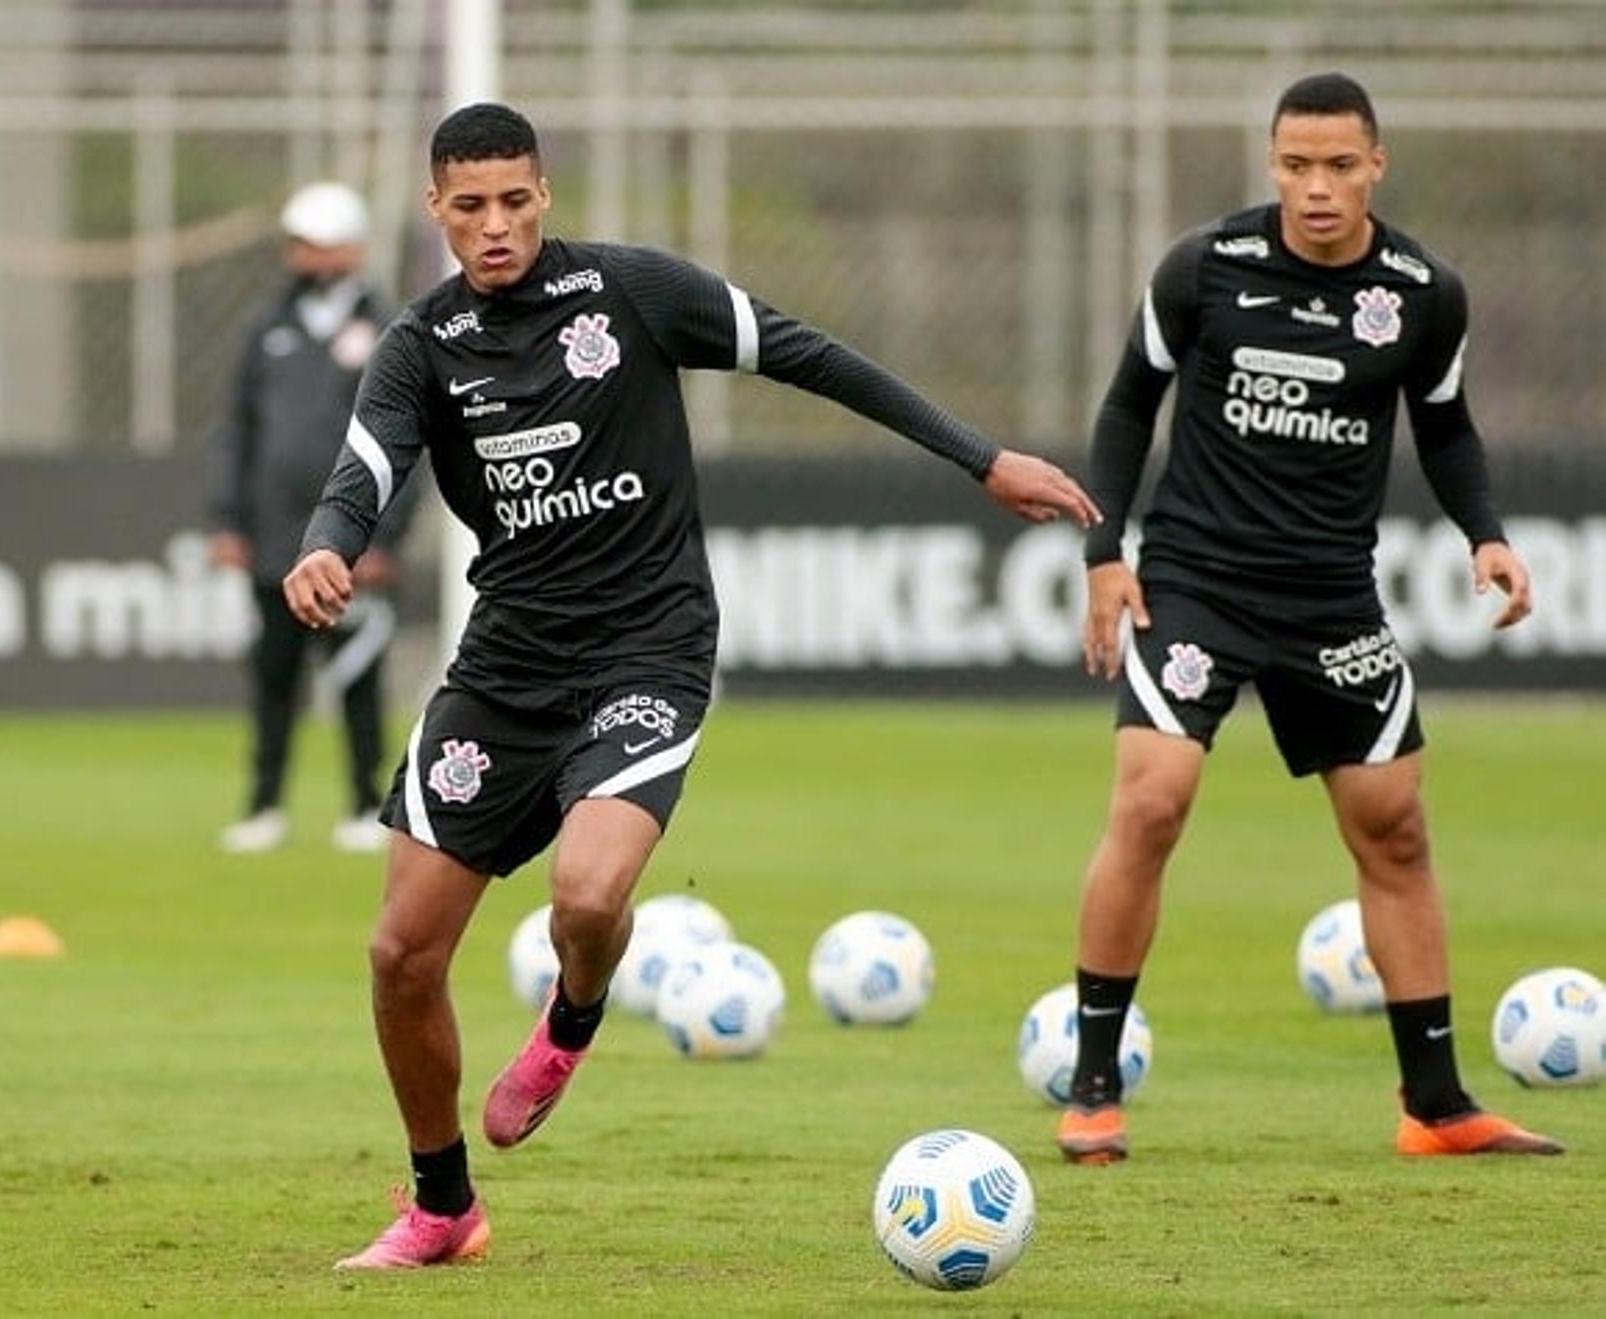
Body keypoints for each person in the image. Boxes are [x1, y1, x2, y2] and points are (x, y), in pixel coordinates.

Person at [283, 102, 1101, 1270]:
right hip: (507, 664)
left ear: (545, 193)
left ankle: (572, 1016)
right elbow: (362, 469)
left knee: (587, 894)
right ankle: (443, 1205)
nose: (497, 223)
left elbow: (810, 353)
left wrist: (982, 458)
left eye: (516, 199)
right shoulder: (421, 345)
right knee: (400, 954)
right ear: (436, 210)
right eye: (471, 206)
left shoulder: (631, 293)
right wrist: (326, 541)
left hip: (647, 649)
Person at [1058, 72, 1560, 1165]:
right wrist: (1107, 552)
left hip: (1331, 592)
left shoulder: (1425, 292)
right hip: (1194, 578)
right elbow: (1126, 404)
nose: (1317, 187)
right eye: (1295, 165)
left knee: (1397, 825)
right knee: (1152, 799)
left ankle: (1435, 1104)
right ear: (1271, 163)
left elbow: (1448, 427)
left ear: (1377, 163)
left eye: (1339, 165)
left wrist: (1487, 531)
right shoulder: (1205, 268)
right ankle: (1092, 1086)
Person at [208, 181, 417, 856]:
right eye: (300, 244)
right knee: (273, 677)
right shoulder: (266, 328)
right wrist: (228, 520)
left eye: (320, 243)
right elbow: (235, 429)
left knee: (358, 677)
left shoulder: (391, 327)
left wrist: (387, 535)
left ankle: (365, 804)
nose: (307, 257)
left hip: (352, 544)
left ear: (352, 248)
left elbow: (415, 441)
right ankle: (264, 803)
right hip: (274, 537)